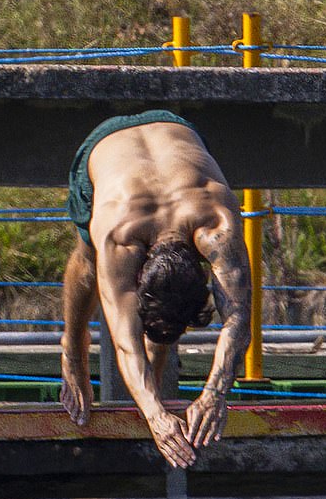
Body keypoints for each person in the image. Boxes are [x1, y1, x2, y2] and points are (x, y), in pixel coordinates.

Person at [60, 110, 251, 469]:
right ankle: (71, 348)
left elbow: (239, 319)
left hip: (177, 132)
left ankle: (157, 380)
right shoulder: (118, 238)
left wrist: (214, 395)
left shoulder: (218, 224)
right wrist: (154, 416)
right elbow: (124, 342)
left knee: (166, 314)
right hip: (105, 147)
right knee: (88, 257)